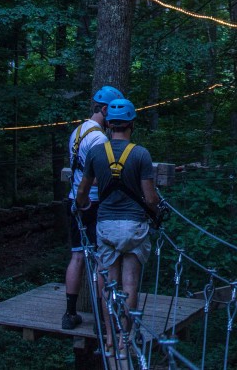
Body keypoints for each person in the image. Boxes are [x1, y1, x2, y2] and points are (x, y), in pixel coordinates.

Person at [75, 98, 160, 357]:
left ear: (109, 124)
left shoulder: (96, 152)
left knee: (109, 284)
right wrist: (156, 215)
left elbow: (82, 191)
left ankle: (110, 339)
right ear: (131, 123)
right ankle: (125, 342)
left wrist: (84, 207)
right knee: (130, 284)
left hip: (107, 226)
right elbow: (151, 198)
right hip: (134, 227)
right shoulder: (141, 154)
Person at [61, 85, 124, 330]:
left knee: (77, 255)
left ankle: (69, 313)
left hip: (75, 199)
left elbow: (78, 169)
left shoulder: (77, 132)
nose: (115, 119)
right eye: (114, 112)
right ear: (105, 109)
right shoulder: (99, 137)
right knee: (101, 259)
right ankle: (102, 319)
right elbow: (96, 176)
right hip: (94, 201)